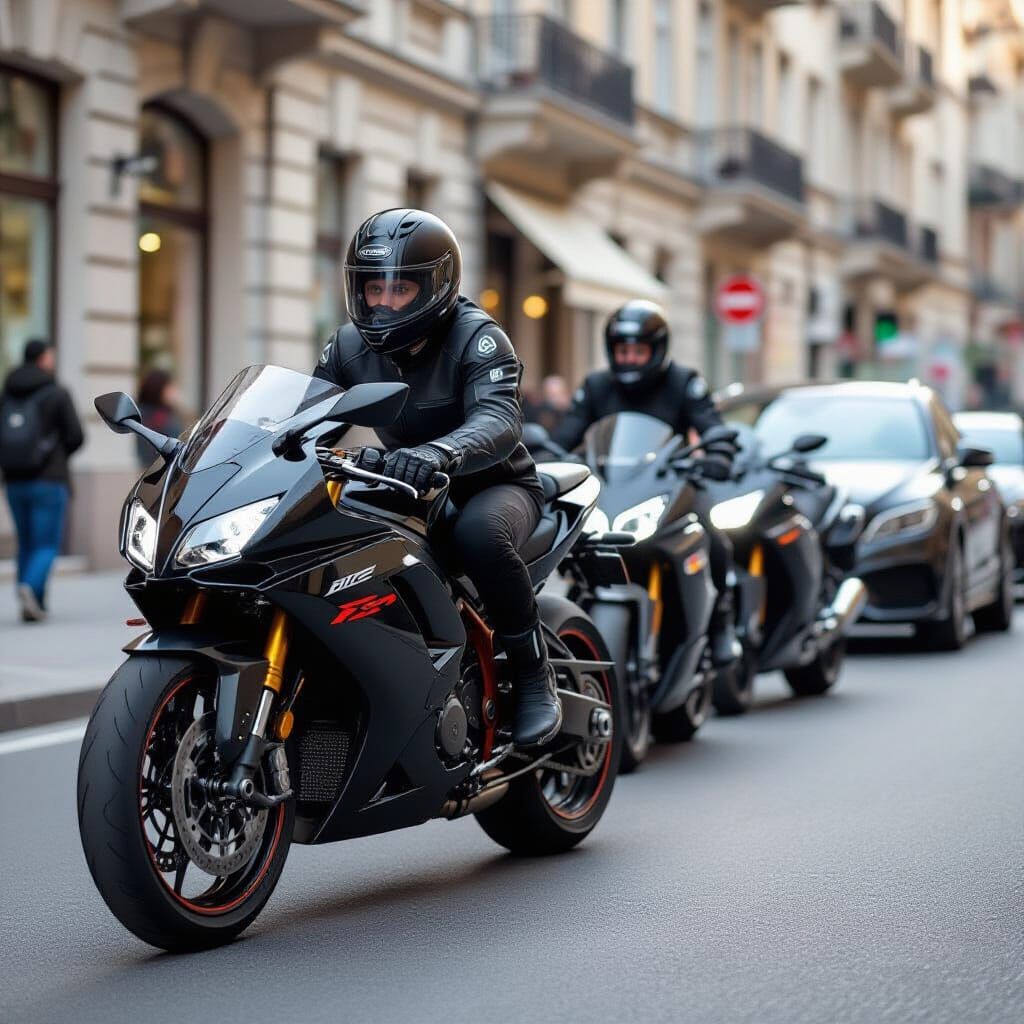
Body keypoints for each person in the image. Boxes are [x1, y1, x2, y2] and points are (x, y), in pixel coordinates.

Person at [313, 208, 561, 746]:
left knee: (478, 535)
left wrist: (440, 452)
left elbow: (499, 418)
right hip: (410, 487)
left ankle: (532, 671)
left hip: (493, 485)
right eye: (372, 287)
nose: (382, 301)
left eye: (399, 288)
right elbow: (309, 418)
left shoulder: (479, 337)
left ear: (436, 285)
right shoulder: (347, 347)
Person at [553, 300, 739, 666]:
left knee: (714, 539)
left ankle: (721, 622)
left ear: (658, 350)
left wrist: (718, 454)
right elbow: (565, 436)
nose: (631, 358)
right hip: (608, 491)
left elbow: (711, 424)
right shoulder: (595, 386)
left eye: (639, 351)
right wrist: (546, 454)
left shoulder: (684, 382)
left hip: (671, 486)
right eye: (623, 350)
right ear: (611, 350)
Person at [0, 338, 84, 621]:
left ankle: (33, 605)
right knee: (46, 544)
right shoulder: (56, 392)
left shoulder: (8, 392)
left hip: (13, 479)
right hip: (49, 479)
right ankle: (30, 588)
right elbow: (75, 436)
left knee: (26, 542)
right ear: (43, 359)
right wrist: (56, 455)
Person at [136, 369, 183, 468]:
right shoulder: (158, 416)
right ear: (160, 389)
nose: (174, 391)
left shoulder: (144, 412)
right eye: (170, 387)